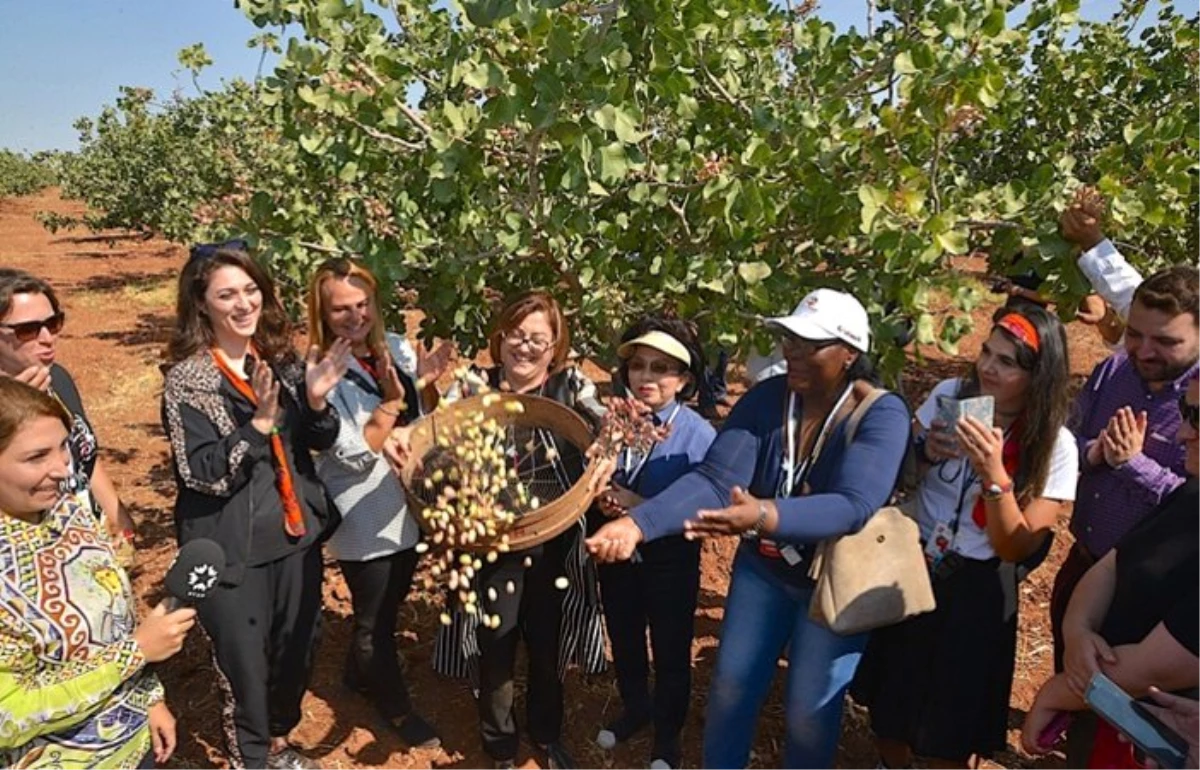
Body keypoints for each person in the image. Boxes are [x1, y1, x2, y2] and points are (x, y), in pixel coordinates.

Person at [588, 288, 912, 770]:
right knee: (732, 689)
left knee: (808, 711)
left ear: (849, 353)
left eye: (811, 343)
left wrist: (761, 515)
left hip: (832, 584)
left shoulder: (881, 413)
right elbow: (717, 479)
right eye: (790, 338)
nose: (793, 352)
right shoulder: (767, 400)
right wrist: (638, 524)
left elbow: (853, 505)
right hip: (765, 572)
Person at [853, 305, 1078, 770]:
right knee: (892, 702)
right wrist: (924, 453)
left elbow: (1014, 547)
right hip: (916, 566)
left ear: (1039, 376)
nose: (988, 368)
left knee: (952, 723)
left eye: (1007, 362)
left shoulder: (1055, 445)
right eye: (987, 353)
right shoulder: (949, 395)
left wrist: (994, 477)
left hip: (978, 587)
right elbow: (899, 472)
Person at [161, 244, 349, 770]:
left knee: (298, 646)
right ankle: (251, 755)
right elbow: (201, 473)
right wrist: (255, 428)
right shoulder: (188, 382)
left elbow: (319, 440)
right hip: (233, 549)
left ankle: (277, 740)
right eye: (227, 294)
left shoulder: (281, 362)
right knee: (244, 664)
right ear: (202, 304)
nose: (244, 304)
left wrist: (313, 402)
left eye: (251, 290)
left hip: (296, 535)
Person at [432, 290, 606, 770]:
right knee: (497, 640)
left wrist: (607, 454)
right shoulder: (471, 386)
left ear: (555, 347)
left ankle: (546, 734)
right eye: (516, 335)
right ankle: (501, 744)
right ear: (500, 336)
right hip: (491, 542)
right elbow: (437, 439)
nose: (525, 347)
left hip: (554, 539)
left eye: (538, 339)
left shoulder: (571, 388)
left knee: (547, 639)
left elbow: (605, 434)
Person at [0, 377, 196, 768]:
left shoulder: (69, 509)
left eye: (63, 448)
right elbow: (8, 716)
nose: (62, 468)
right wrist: (135, 654)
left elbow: (113, 623)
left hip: (133, 747)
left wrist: (148, 698)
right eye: (36, 457)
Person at [1023, 370, 1200, 769]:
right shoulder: (1192, 492)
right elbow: (1112, 565)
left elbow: (1161, 666)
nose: (1182, 433)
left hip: (1163, 737)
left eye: (1199, 418)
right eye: (1186, 411)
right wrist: (1078, 631)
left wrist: (1057, 690)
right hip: (1112, 711)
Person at [306, 258, 446, 749]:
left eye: (363, 304)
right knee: (374, 617)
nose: (355, 316)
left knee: (391, 595)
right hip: (363, 510)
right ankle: (397, 708)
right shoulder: (321, 369)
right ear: (322, 313)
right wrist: (388, 404)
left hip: (405, 501)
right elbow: (348, 451)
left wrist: (422, 385)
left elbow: (421, 417)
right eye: (341, 309)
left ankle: (355, 673)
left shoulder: (396, 348)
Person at [1050, 266, 1200, 674]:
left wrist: (1135, 466)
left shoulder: (1197, 405)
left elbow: (1192, 508)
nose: (1143, 350)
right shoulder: (1112, 373)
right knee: (1070, 682)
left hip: (1158, 597)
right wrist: (1095, 453)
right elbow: (1063, 445)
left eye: (1165, 341)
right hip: (1083, 569)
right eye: (1134, 334)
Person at [594, 317, 716, 770]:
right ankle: (635, 709)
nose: (646, 377)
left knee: (669, 648)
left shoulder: (699, 436)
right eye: (639, 366)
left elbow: (706, 509)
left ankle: (668, 736)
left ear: (682, 380)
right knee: (624, 636)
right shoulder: (616, 420)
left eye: (661, 369)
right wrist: (605, 498)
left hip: (670, 560)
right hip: (619, 558)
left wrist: (639, 505)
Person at [0, 268, 135, 556]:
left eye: (53, 323)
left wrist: (116, 515)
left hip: (84, 539)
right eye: (28, 330)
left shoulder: (57, 378)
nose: (47, 338)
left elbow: (83, 453)